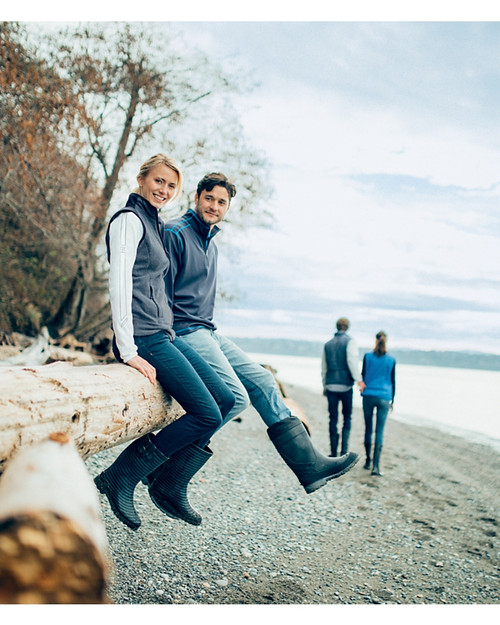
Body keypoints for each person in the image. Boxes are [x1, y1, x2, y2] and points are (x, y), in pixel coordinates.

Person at [152, 171, 359, 522]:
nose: (214, 206)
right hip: (182, 332)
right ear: (197, 197)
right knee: (234, 397)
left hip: (208, 330)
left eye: (222, 202)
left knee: (263, 381)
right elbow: (158, 289)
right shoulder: (174, 233)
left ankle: (310, 467)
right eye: (209, 198)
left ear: (228, 207)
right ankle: (166, 471)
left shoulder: (210, 244)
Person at [93, 154, 235, 531]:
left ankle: (169, 481)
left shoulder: (154, 224)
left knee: (224, 399)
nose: (164, 190)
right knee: (205, 412)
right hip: (142, 335)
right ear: (141, 179)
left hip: (163, 333)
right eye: (158, 181)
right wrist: (127, 350)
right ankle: (121, 475)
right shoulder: (129, 221)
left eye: (171, 186)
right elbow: (120, 284)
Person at [321, 317, 364, 457]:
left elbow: (324, 367)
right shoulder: (350, 342)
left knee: (332, 417)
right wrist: (359, 380)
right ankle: (344, 451)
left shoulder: (327, 344)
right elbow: (351, 361)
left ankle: (333, 452)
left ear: (336, 326)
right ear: (347, 327)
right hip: (345, 386)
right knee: (347, 417)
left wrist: (324, 385)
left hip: (331, 385)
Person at [361, 330, 396, 476]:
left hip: (368, 395)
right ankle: (376, 467)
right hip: (384, 397)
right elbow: (393, 381)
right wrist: (392, 399)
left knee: (368, 429)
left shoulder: (367, 357)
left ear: (375, 340)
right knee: (379, 431)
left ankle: (368, 460)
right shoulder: (391, 359)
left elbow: (363, 375)